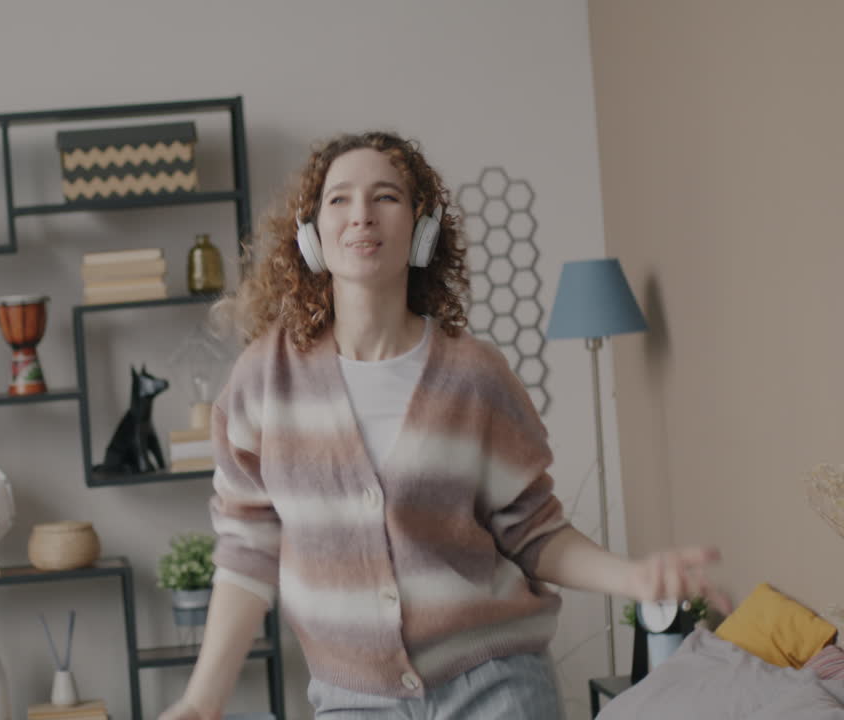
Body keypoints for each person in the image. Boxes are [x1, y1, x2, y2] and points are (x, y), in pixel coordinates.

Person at [158, 131, 730, 720]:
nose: (361, 215)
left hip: (497, 688)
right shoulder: (264, 379)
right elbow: (248, 549)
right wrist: (204, 699)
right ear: (311, 234)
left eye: (385, 197)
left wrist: (632, 577)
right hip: (352, 699)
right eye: (339, 199)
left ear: (421, 228)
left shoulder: (475, 375)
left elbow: (533, 532)